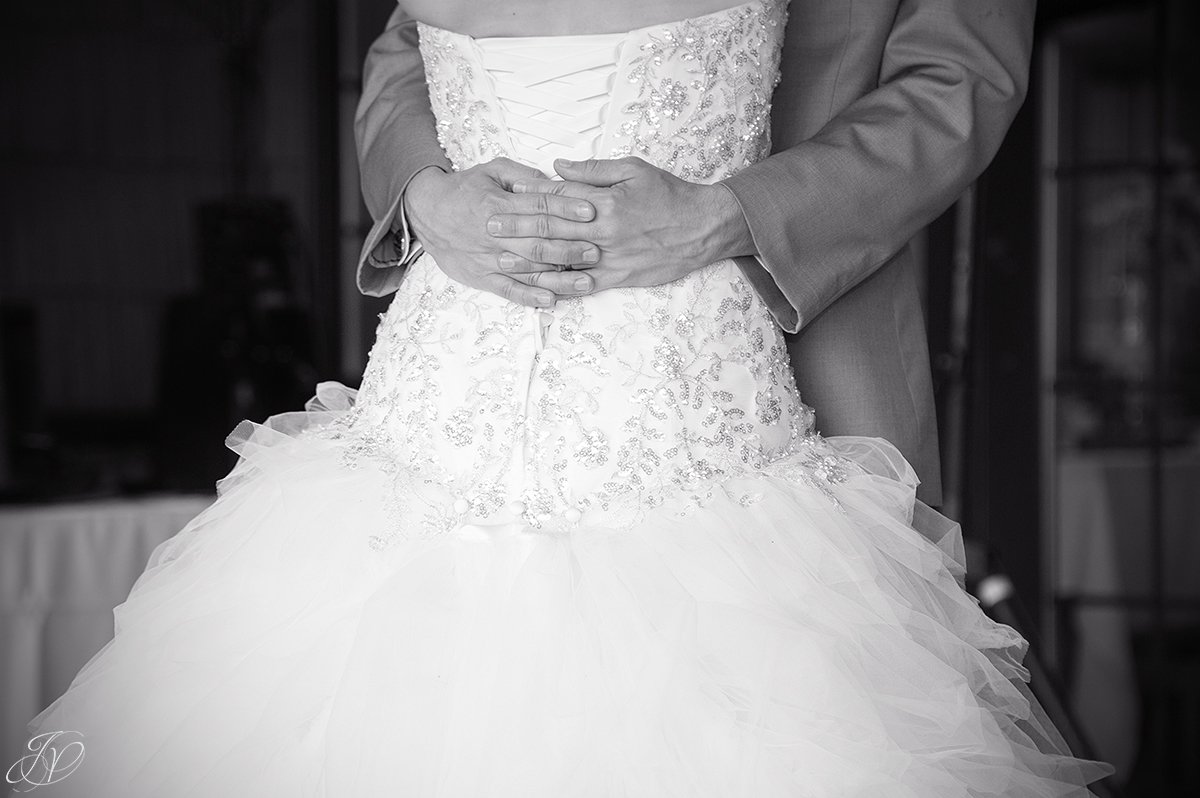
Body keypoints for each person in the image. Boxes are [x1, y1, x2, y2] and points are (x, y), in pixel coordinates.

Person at [14, 1, 1113, 795]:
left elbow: (960, 78)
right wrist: (422, 193)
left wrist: (736, 214)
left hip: (766, 355)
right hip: (454, 385)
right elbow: (405, 45)